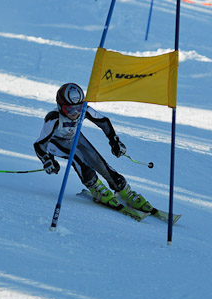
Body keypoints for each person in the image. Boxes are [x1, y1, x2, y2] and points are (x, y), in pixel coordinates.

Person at [34, 82, 153, 213]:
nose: (75, 113)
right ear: (60, 106)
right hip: (56, 143)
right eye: (69, 110)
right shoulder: (53, 119)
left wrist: (114, 142)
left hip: (75, 137)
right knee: (77, 159)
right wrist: (47, 160)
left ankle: (122, 189)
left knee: (98, 161)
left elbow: (104, 122)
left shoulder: (85, 110)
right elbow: (39, 144)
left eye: (78, 108)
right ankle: (94, 186)